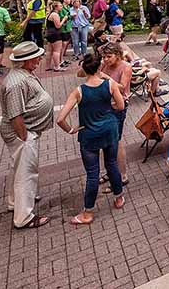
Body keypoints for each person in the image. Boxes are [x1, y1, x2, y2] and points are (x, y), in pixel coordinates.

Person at [54, 53, 126, 225]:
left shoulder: (79, 91)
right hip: (110, 130)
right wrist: (108, 109)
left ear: (84, 69)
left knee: (93, 174)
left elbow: (60, 119)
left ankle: (88, 213)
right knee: (112, 165)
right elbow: (121, 105)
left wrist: (71, 130)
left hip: (89, 134)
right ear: (99, 67)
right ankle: (119, 197)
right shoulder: (110, 84)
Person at [0, 42, 54, 229]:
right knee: (26, 173)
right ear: (26, 60)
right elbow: (16, 115)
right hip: (22, 133)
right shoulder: (16, 82)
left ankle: (15, 203)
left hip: (26, 131)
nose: (40, 59)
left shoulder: (23, 75)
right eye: (37, 57)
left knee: (18, 169)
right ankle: (24, 216)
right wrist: (24, 136)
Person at [98, 42, 132, 187]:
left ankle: (123, 175)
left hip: (118, 107)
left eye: (108, 56)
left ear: (118, 55)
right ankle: (110, 170)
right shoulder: (104, 64)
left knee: (116, 141)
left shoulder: (126, 67)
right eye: (103, 57)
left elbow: (123, 88)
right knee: (106, 141)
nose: (105, 59)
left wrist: (106, 77)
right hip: (104, 105)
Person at [43, 2, 66, 72]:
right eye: (60, 6)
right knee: (57, 51)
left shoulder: (49, 14)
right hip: (55, 34)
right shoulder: (55, 15)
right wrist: (64, 19)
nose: (61, 7)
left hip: (49, 33)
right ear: (56, 7)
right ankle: (57, 66)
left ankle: (47, 66)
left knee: (49, 50)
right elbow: (58, 25)